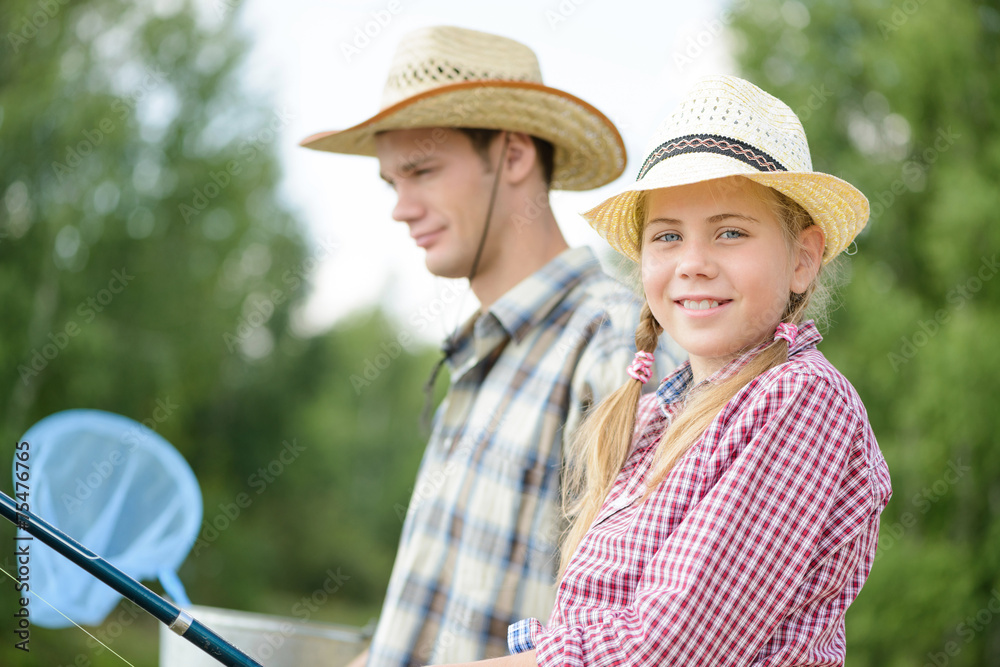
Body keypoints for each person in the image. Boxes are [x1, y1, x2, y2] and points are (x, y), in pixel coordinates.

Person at [436, 75, 893, 666]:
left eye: (731, 232)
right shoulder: (655, 418)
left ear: (802, 259)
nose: (694, 264)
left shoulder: (802, 400)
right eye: (668, 236)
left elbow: (669, 648)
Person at [298, 26, 682, 667]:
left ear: (512, 155)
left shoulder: (614, 346)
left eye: (421, 170)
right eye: (392, 182)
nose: (401, 207)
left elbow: (637, 642)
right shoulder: (482, 356)